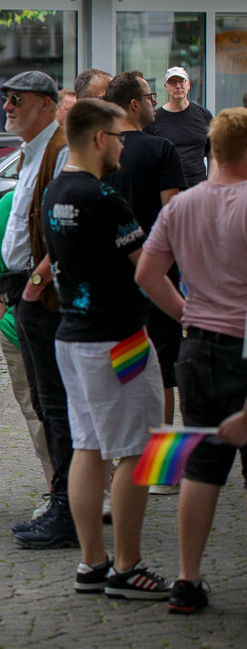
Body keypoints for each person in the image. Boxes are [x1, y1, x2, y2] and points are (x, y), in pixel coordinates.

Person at [43, 98, 171, 600]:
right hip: (119, 340)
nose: (123, 146)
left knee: (89, 447)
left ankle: (93, 563)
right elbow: (148, 269)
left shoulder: (55, 190)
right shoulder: (103, 196)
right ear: (99, 139)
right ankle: (128, 567)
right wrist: (189, 316)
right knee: (140, 450)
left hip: (72, 338)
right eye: (119, 137)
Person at [135, 107, 247, 615]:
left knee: (200, 465)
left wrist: (188, 315)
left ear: (213, 150)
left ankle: (187, 579)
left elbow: (147, 275)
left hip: (198, 346)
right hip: (242, 346)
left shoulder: (183, 205)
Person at [0, 71, 78, 549]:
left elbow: (67, 229)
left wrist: (35, 283)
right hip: (28, 292)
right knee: (47, 405)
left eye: (18, 99)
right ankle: (62, 501)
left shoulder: (61, 149)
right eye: (6, 99)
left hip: (45, 295)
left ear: (46, 105)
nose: (8, 106)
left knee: (57, 404)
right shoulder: (33, 150)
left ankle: (68, 510)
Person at [103, 72, 187, 485]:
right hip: (157, 275)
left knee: (119, 369)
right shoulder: (161, 149)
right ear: (135, 104)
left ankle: (118, 464)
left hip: (108, 279)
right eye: (150, 97)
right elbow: (174, 216)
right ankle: (162, 472)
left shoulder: (98, 151)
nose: (155, 103)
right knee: (163, 372)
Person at [0, 188, 54, 515]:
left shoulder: (88, 195)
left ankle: (100, 486)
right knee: (39, 413)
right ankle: (58, 491)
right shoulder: (13, 202)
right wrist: (7, 319)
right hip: (25, 332)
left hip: (81, 332)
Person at [144, 67, 213, 187]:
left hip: (198, 188)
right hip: (167, 189)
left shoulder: (204, 116)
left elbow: (213, 156)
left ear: (188, 85)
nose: (178, 86)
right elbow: (147, 159)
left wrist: (210, 185)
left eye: (182, 82)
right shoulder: (154, 119)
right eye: (173, 82)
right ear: (166, 87)